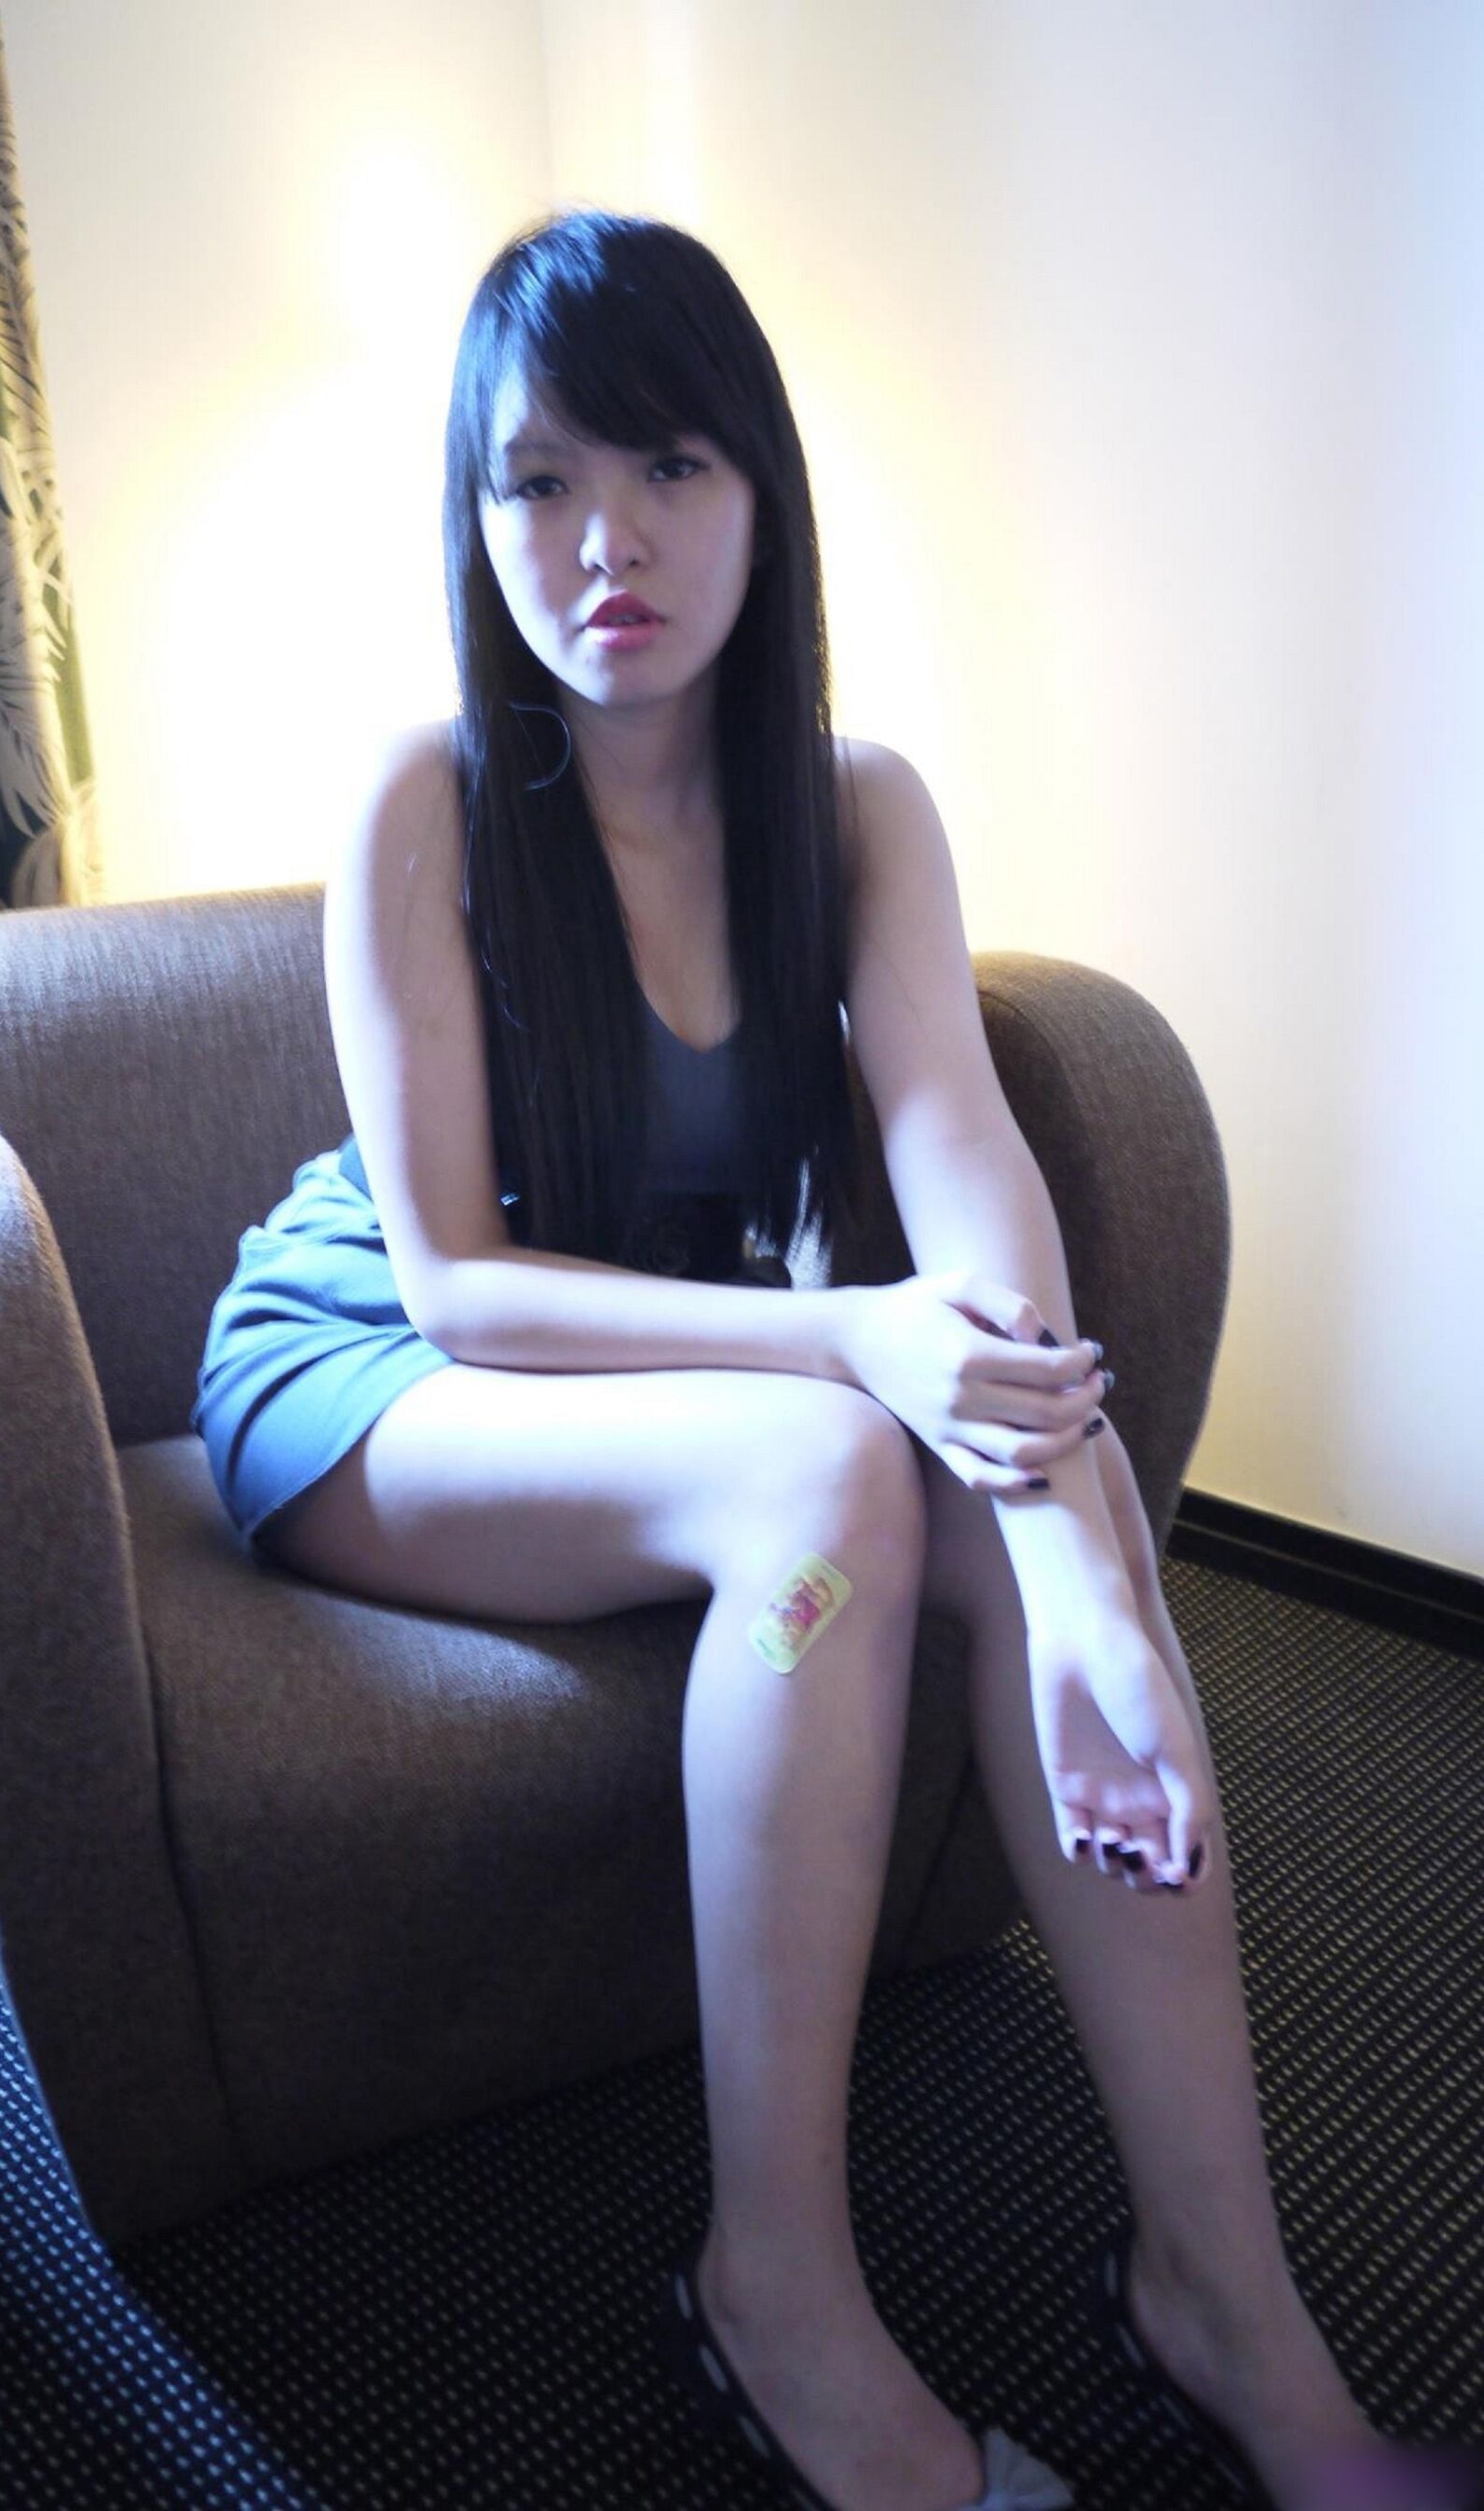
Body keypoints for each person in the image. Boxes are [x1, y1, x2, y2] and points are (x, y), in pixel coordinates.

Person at [193, 211, 1479, 2511]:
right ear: (476, 518)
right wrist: (849, 1339)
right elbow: (461, 1280)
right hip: (378, 1371)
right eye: (541, 481)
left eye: (668, 467)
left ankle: (1239, 2314)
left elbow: (974, 1200)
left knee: (1018, 1491)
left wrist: (1087, 1582)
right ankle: (777, 2290)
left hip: (646, 1387)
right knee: (832, 1468)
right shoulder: (427, 801)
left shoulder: (857, 809)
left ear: (761, 492)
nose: (606, 541)